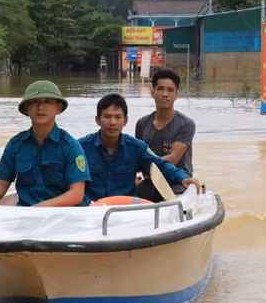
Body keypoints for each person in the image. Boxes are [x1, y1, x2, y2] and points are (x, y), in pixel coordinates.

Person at [0, 80, 90, 207]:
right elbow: (1, 183)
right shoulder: (15, 145)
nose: (41, 107)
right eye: (35, 102)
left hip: (64, 214)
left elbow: (77, 194)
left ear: (58, 108)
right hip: (26, 213)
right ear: (26, 109)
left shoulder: (70, 146)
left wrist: (42, 207)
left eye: (48, 102)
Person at [78, 93, 201, 203]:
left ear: (125, 121)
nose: (113, 122)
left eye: (118, 117)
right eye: (107, 117)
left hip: (127, 212)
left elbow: (160, 165)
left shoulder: (136, 148)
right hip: (91, 212)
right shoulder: (80, 148)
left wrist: (183, 178)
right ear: (97, 120)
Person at [135, 68, 196, 201]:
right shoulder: (142, 123)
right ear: (153, 92)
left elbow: (173, 158)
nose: (165, 94)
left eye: (170, 90)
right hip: (150, 181)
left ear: (176, 95)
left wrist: (146, 162)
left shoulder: (186, 124)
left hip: (178, 182)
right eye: (160, 89)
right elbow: (136, 155)